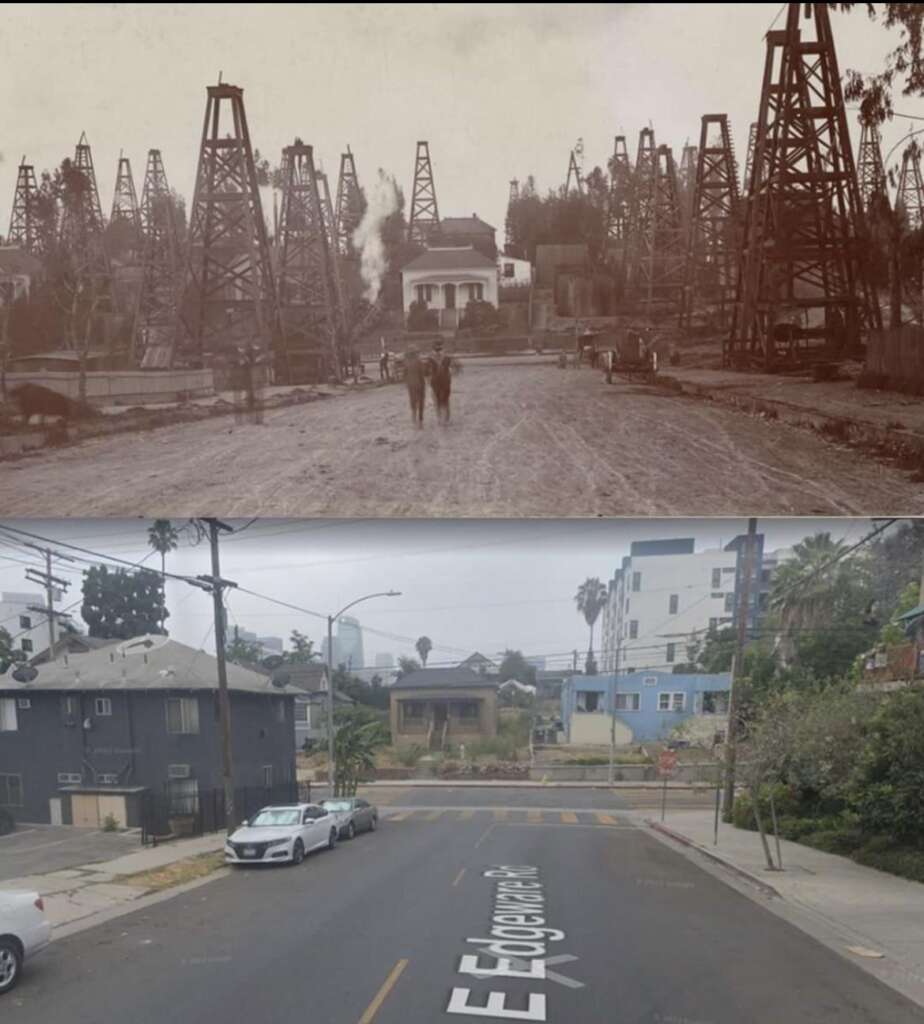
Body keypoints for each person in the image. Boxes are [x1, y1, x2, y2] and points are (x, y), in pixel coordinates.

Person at [429, 338, 453, 425]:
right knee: (444, 401)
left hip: (438, 383)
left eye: (439, 349)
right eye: (438, 349)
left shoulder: (431, 358)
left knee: (439, 401)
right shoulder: (446, 357)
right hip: (441, 382)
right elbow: (450, 371)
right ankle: (444, 418)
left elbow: (429, 372)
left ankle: (441, 418)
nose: (438, 351)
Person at [405, 346, 426, 427]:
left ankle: (414, 418)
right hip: (419, 385)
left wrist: (407, 383)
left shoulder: (406, 362)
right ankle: (420, 420)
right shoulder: (419, 362)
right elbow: (422, 374)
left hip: (410, 385)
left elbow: (405, 374)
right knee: (421, 402)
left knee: (413, 401)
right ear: (416, 354)